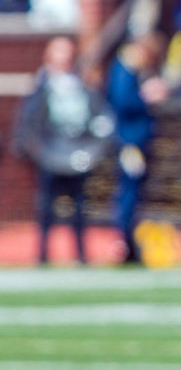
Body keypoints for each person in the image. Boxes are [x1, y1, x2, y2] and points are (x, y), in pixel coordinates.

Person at [14, 37, 114, 264]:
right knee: (46, 208)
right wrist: (34, 150)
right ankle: (42, 255)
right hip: (50, 156)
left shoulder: (84, 87)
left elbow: (101, 120)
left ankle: (81, 254)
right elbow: (29, 124)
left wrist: (94, 150)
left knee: (80, 208)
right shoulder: (41, 89)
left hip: (79, 155)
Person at [107, 31, 169, 263]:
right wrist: (147, 96)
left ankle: (129, 242)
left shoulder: (132, 67)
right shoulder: (126, 66)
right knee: (128, 192)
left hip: (137, 139)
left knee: (134, 192)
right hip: (129, 142)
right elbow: (122, 100)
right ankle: (125, 243)